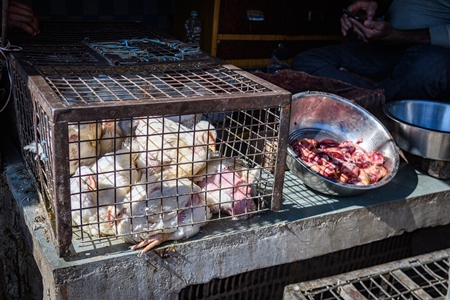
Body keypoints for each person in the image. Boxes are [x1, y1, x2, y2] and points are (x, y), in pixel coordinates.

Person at [291, 0, 450, 102]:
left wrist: (398, 35)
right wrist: (370, 11)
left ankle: (373, 93)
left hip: (428, 55)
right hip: (385, 49)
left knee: (434, 66)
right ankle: (379, 91)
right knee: (307, 61)